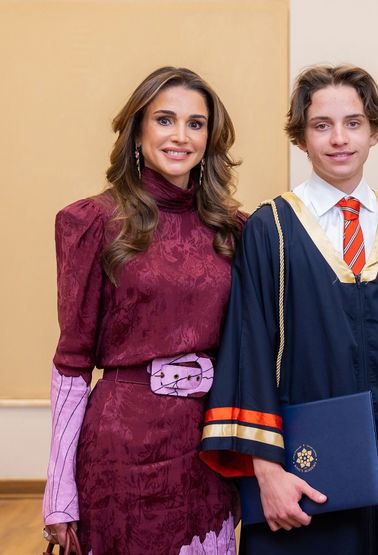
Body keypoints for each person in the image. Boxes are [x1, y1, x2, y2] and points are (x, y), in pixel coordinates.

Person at [201, 64, 378, 554]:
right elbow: (249, 351)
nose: (338, 139)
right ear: (301, 139)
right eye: (321, 125)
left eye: (353, 123)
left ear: (374, 132)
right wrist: (267, 469)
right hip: (301, 468)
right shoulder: (270, 229)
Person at [42, 66, 244, 554]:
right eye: (165, 120)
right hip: (120, 447)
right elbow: (71, 363)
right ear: (137, 130)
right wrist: (57, 491)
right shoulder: (91, 221)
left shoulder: (235, 229)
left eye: (196, 124)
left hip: (209, 443)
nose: (181, 136)